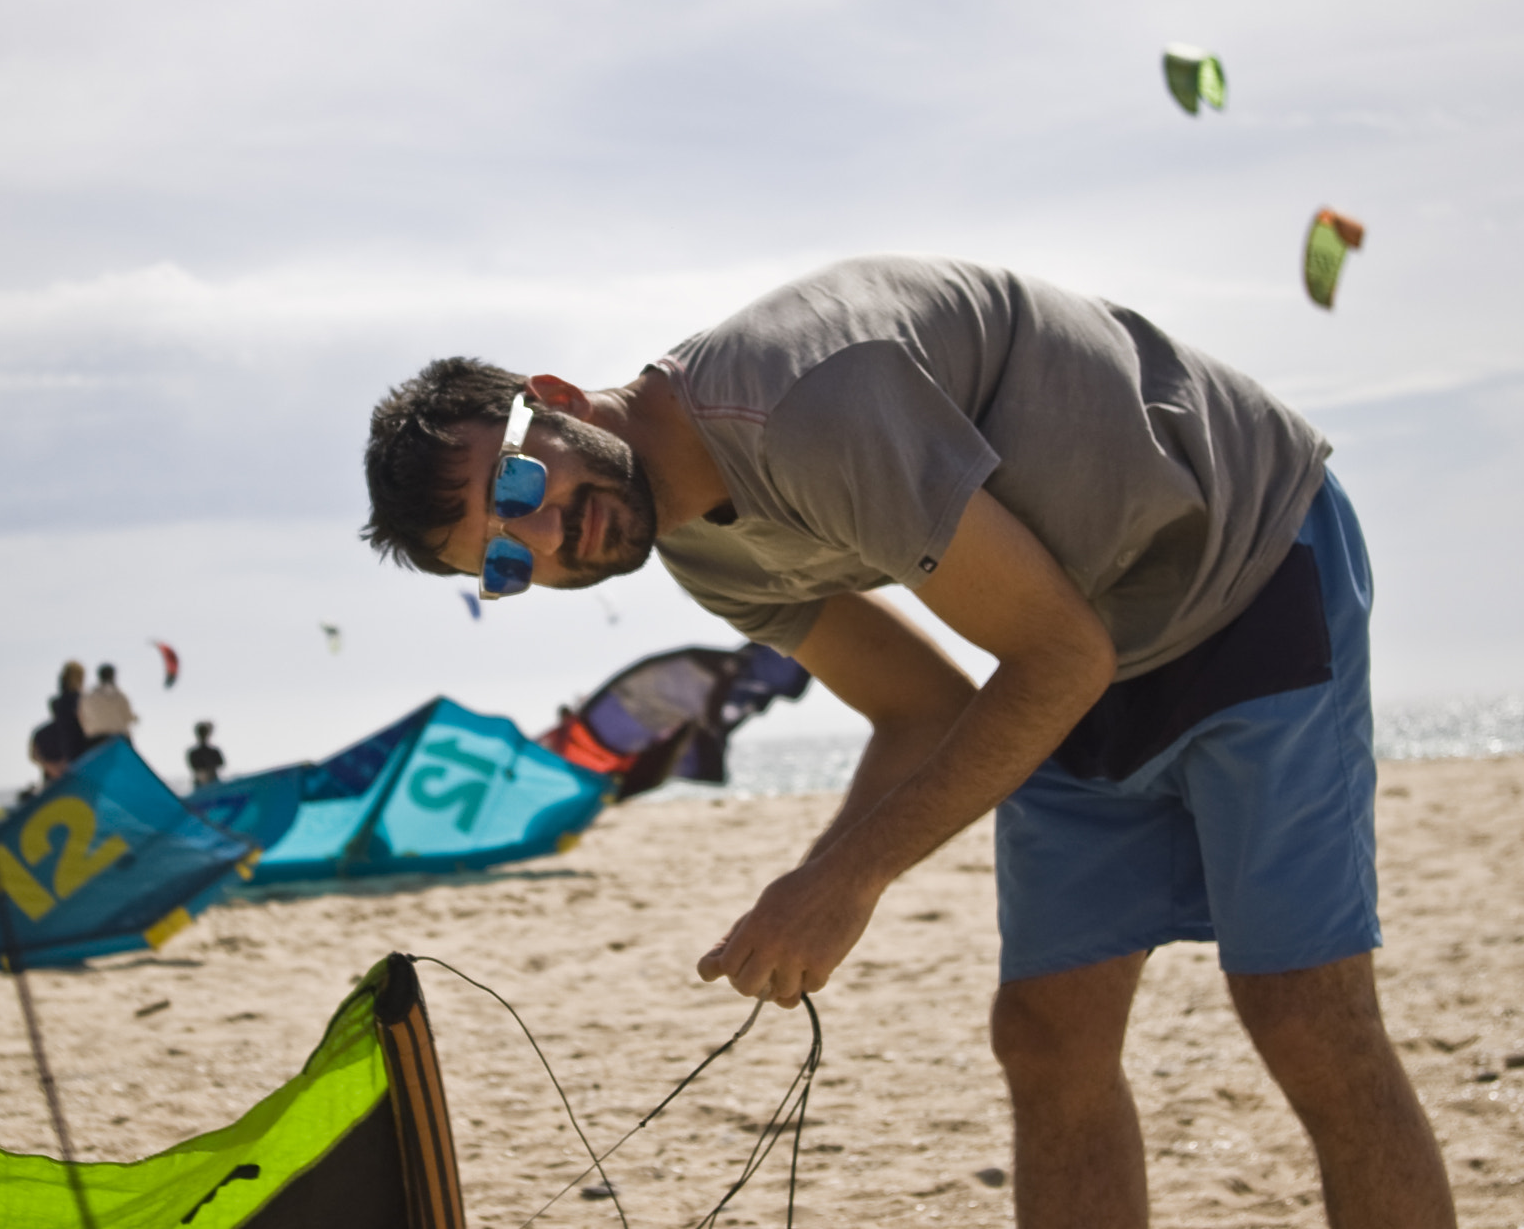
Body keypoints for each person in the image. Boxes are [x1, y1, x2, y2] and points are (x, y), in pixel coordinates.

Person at [360, 255, 1454, 1227]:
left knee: (1301, 1015)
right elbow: (922, 706)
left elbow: (1050, 659)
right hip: (1073, 641)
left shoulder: (797, 404)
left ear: (549, 404)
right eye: (502, 558)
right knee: (1045, 1035)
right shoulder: (704, 554)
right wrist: (811, 883)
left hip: (1238, 561)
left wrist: (852, 877)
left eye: (517, 486)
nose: (549, 537)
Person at [27, 660, 88, 784]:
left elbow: (33, 755)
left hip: (54, 779)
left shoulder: (40, 732)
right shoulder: (78, 702)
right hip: (78, 766)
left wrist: (50, 766)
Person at [77, 662, 137, 745]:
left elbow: (82, 718)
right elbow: (128, 717)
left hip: (94, 741)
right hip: (119, 741)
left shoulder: (88, 696)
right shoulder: (119, 695)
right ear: (113, 676)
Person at [186, 720, 225, 789]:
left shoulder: (214, 751)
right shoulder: (194, 753)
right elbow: (196, 769)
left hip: (214, 784)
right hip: (201, 786)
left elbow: (221, 764)